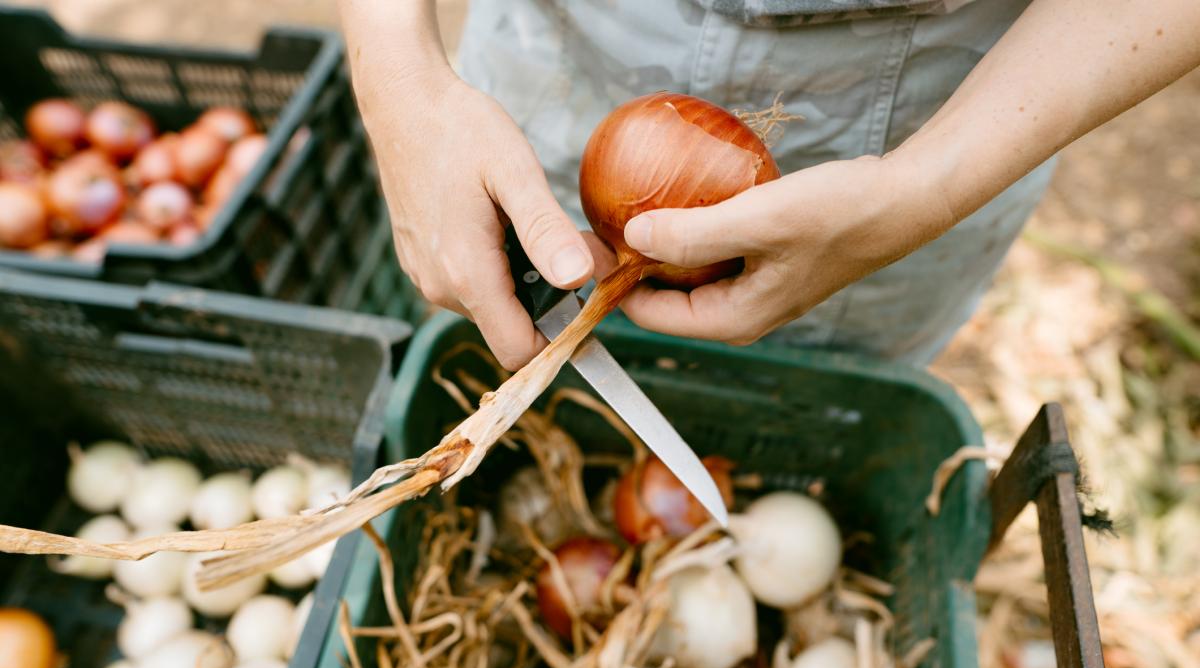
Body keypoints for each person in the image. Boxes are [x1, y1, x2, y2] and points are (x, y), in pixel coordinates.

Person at [337, 0, 1200, 370]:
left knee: (818, 408)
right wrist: (399, 81)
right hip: (558, 48)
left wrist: (927, 187)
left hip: (948, 101)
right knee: (497, 331)